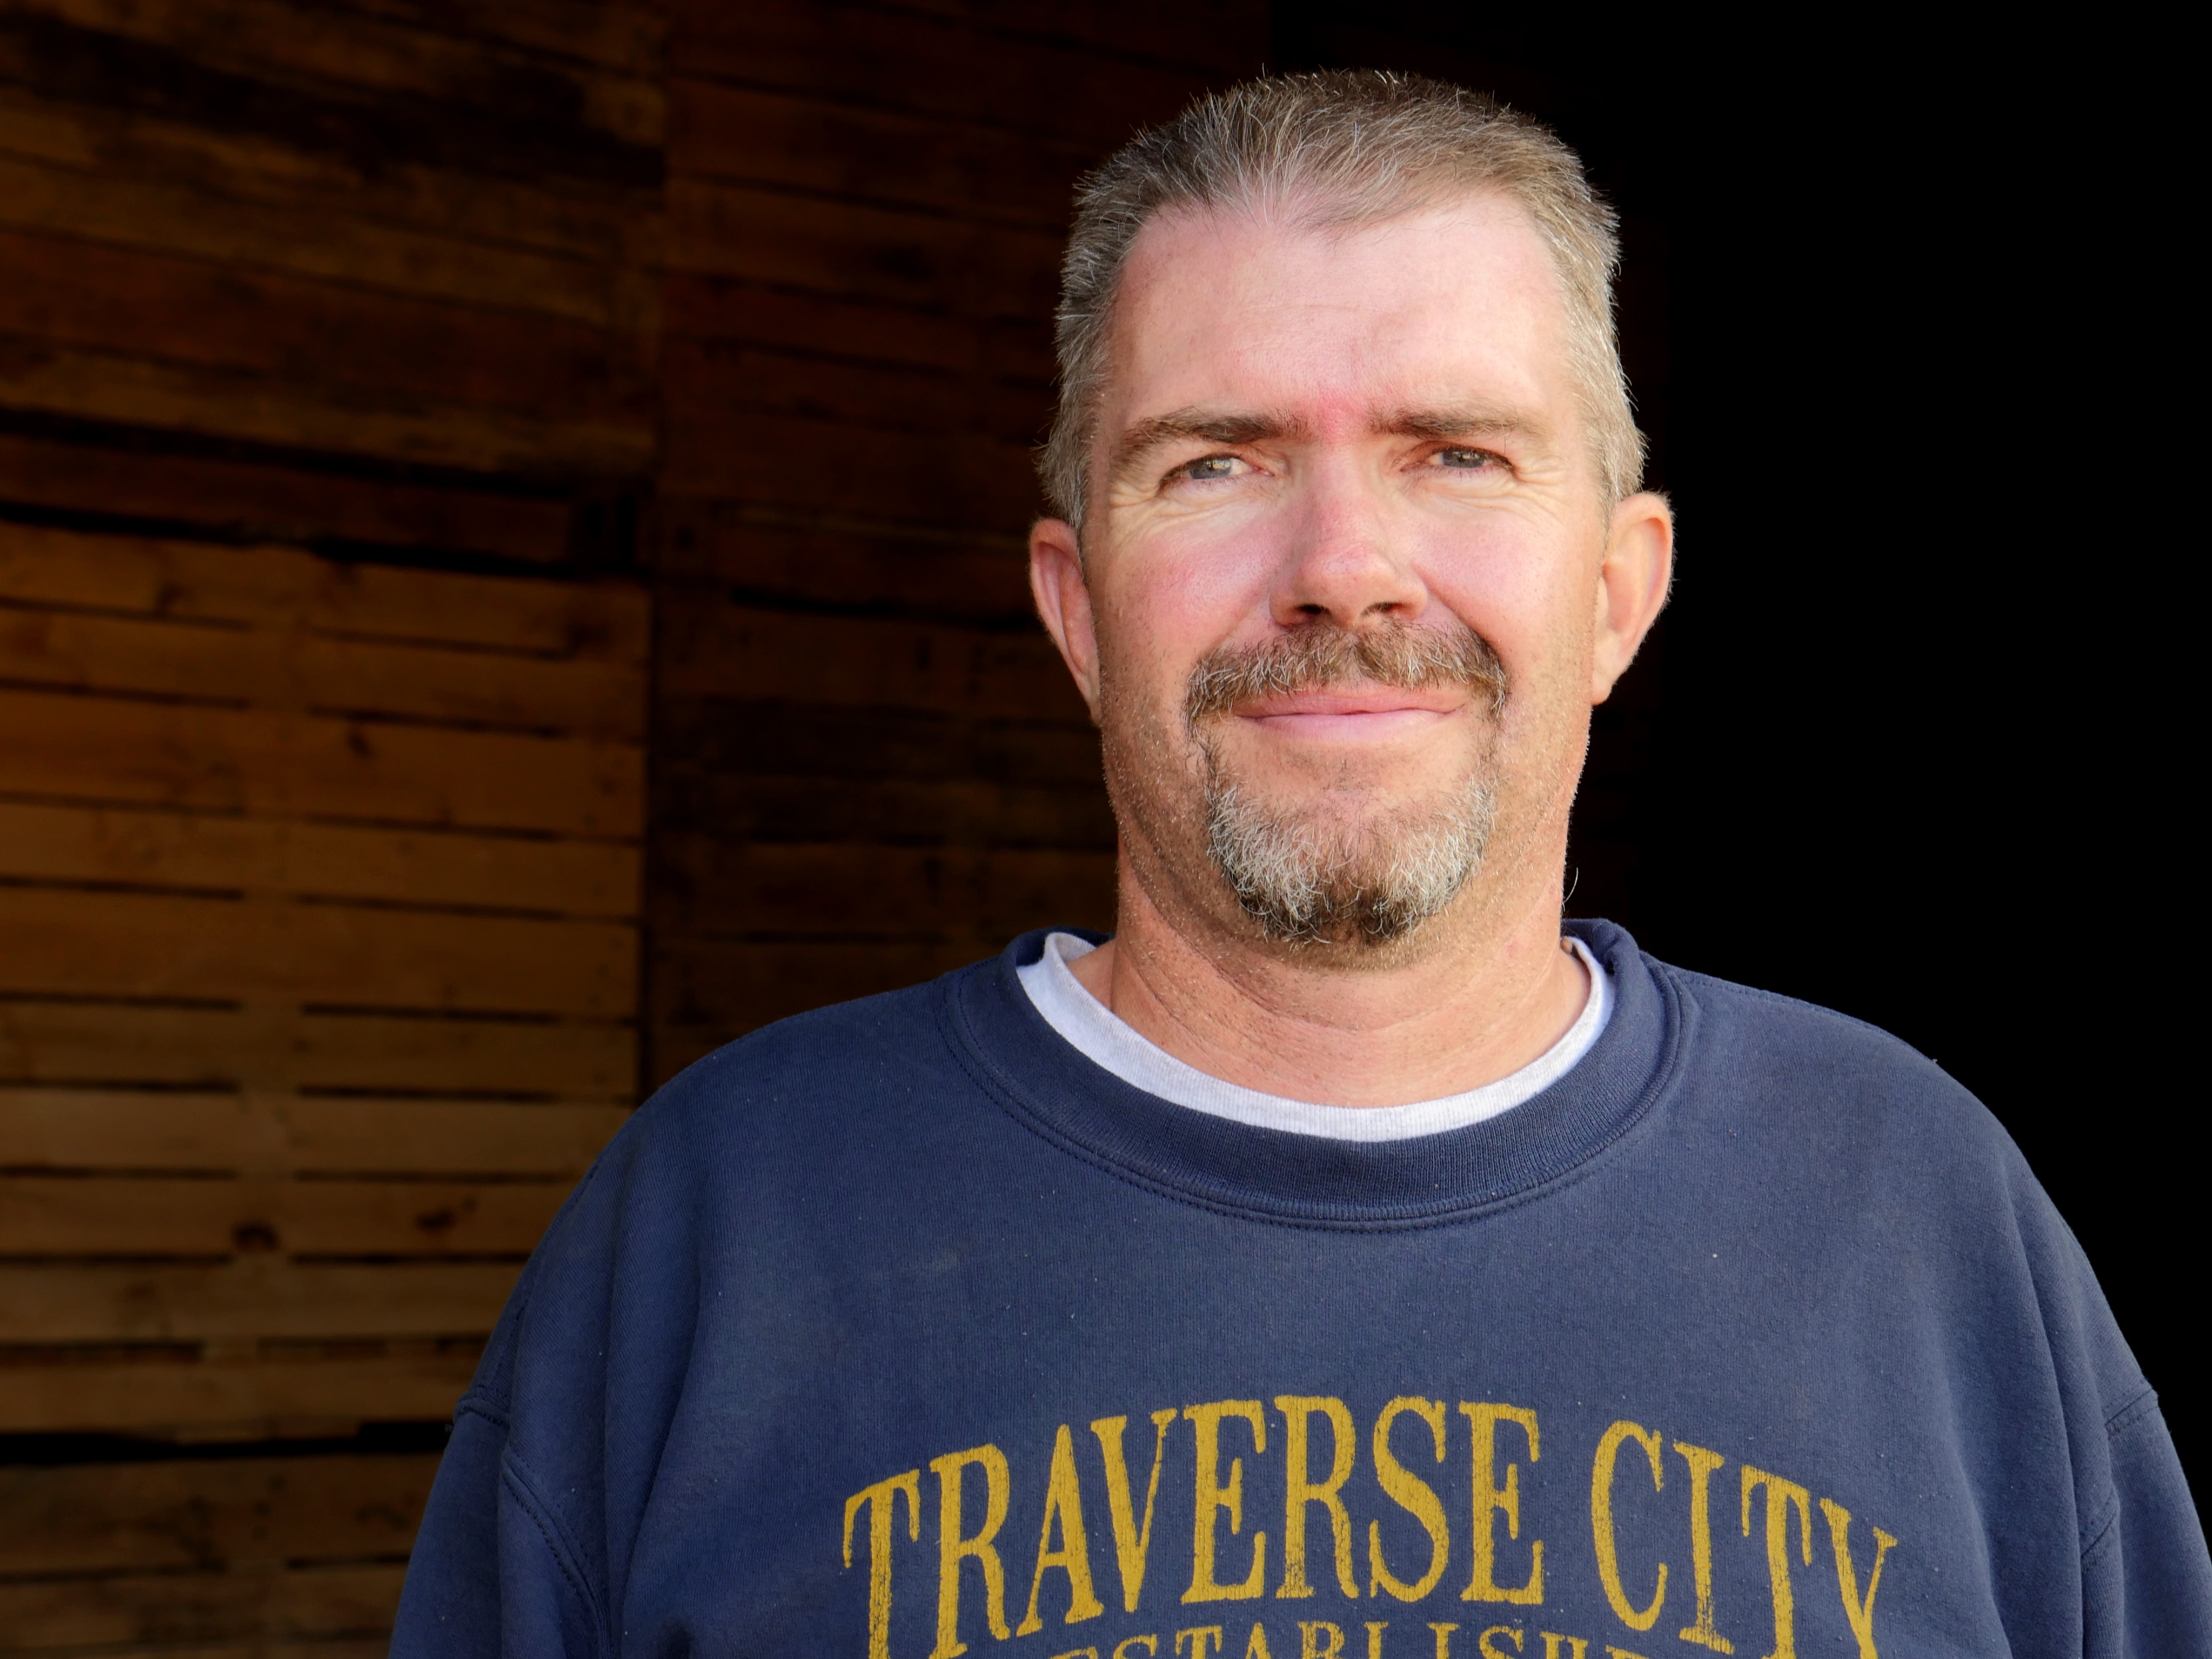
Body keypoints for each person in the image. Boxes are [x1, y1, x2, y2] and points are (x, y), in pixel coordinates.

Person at [394, 72, 2208, 1657]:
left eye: (1457, 453)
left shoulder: (1915, 1210)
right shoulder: (722, 1226)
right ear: (1075, 606)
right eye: (1216, 464)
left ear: (1616, 590)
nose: (1345, 566)